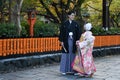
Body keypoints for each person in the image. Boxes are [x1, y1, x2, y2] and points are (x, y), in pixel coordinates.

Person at [59, 11, 82, 75]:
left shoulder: (76, 24)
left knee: (73, 55)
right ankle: (64, 70)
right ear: (68, 16)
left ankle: (75, 70)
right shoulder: (64, 24)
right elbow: (61, 33)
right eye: (72, 15)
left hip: (73, 41)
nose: (73, 16)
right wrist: (61, 41)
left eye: (73, 15)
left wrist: (78, 40)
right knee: (65, 55)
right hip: (66, 41)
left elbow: (79, 32)